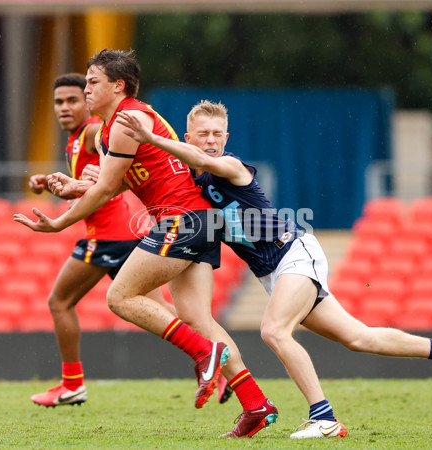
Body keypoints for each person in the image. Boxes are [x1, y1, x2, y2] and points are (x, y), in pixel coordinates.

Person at [116, 99, 432, 439]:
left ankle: (324, 418)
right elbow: (155, 182)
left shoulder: (229, 165)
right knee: (359, 337)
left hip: (293, 254)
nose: (211, 139)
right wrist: (87, 187)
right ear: (189, 135)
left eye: (217, 133)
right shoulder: (192, 185)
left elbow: (200, 160)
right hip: (273, 272)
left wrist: (150, 137)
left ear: (226, 136)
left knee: (274, 331)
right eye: (203, 134)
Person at [14, 49, 277, 438]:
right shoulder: (116, 125)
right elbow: (119, 181)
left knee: (120, 297)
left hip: (181, 220)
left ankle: (205, 354)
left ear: (117, 86)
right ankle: (255, 403)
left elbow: (106, 190)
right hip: (200, 221)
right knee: (198, 319)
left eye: (92, 82)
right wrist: (74, 186)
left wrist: (59, 222)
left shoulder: (125, 119)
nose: (85, 89)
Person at [27, 73, 173, 408]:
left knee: (59, 301)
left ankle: (72, 384)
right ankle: (216, 361)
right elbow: (89, 177)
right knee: (161, 311)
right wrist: (45, 181)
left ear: (88, 101)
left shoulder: (93, 131)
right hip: (123, 235)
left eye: (73, 100)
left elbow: (111, 168)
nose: (64, 107)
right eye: (59, 101)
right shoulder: (77, 138)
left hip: (108, 236)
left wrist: (99, 173)